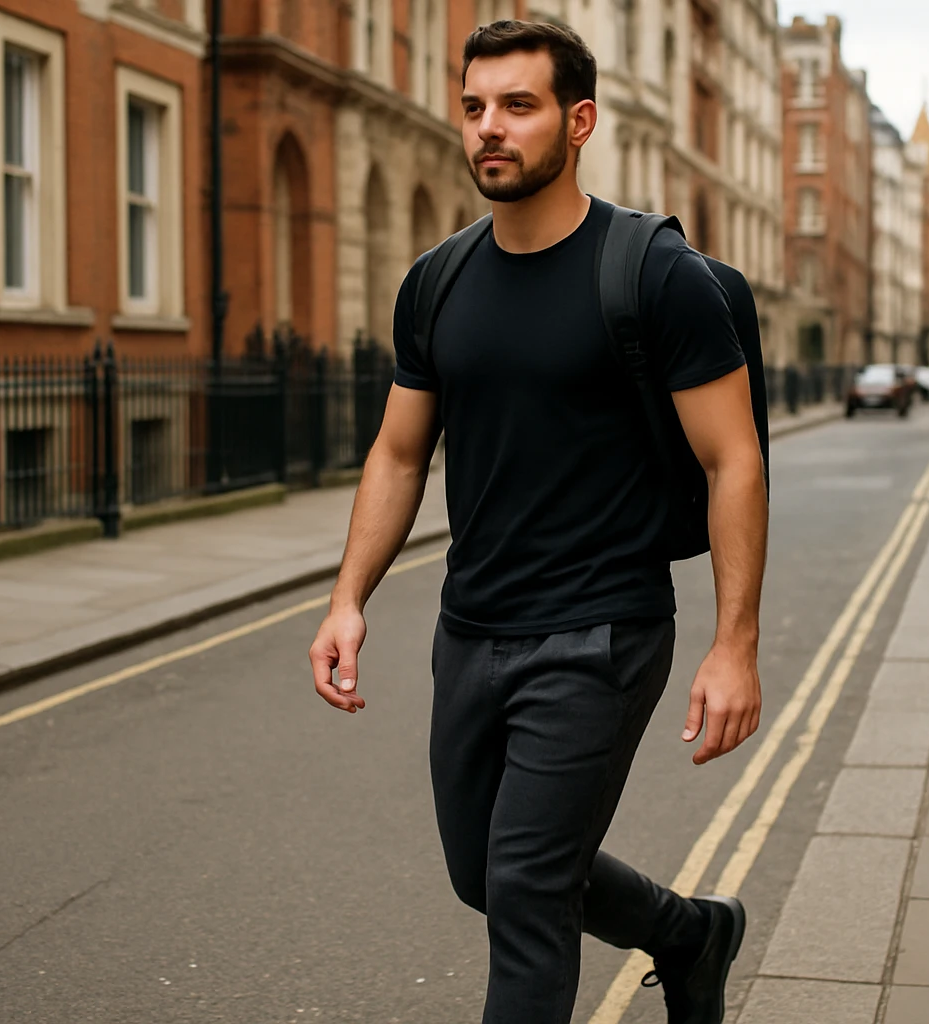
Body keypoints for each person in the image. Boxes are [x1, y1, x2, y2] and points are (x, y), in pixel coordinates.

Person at [308, 19, 768, 1024]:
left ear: (579, 120)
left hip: (602, 630)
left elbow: (734, 459)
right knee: (485, 871)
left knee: (525, 895)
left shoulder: (654, 275)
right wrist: (347, 599)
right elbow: (397, 453)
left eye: (517, 106)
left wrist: (735, 644)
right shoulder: (437, 283)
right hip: (471, 629)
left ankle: (682, 935)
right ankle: (691, 932)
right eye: (474, 107)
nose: (489, 129)